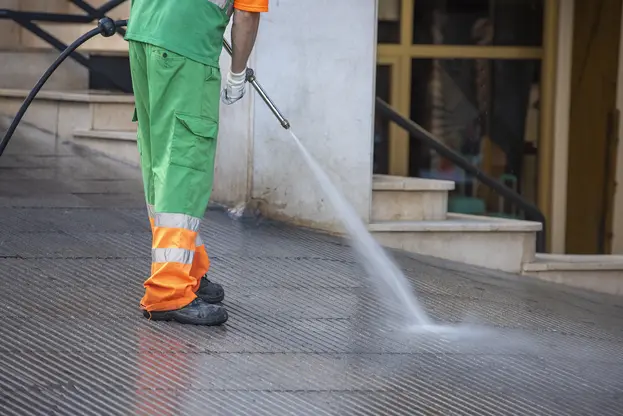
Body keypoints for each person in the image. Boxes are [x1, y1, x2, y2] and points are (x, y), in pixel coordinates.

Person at [125, 0, 268, 326]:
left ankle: (187, 267)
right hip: (184, 51)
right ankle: (169, 290)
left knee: (160, 160)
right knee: (184, 164)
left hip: (143, 34)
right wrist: (237, 72)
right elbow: (246, 14)